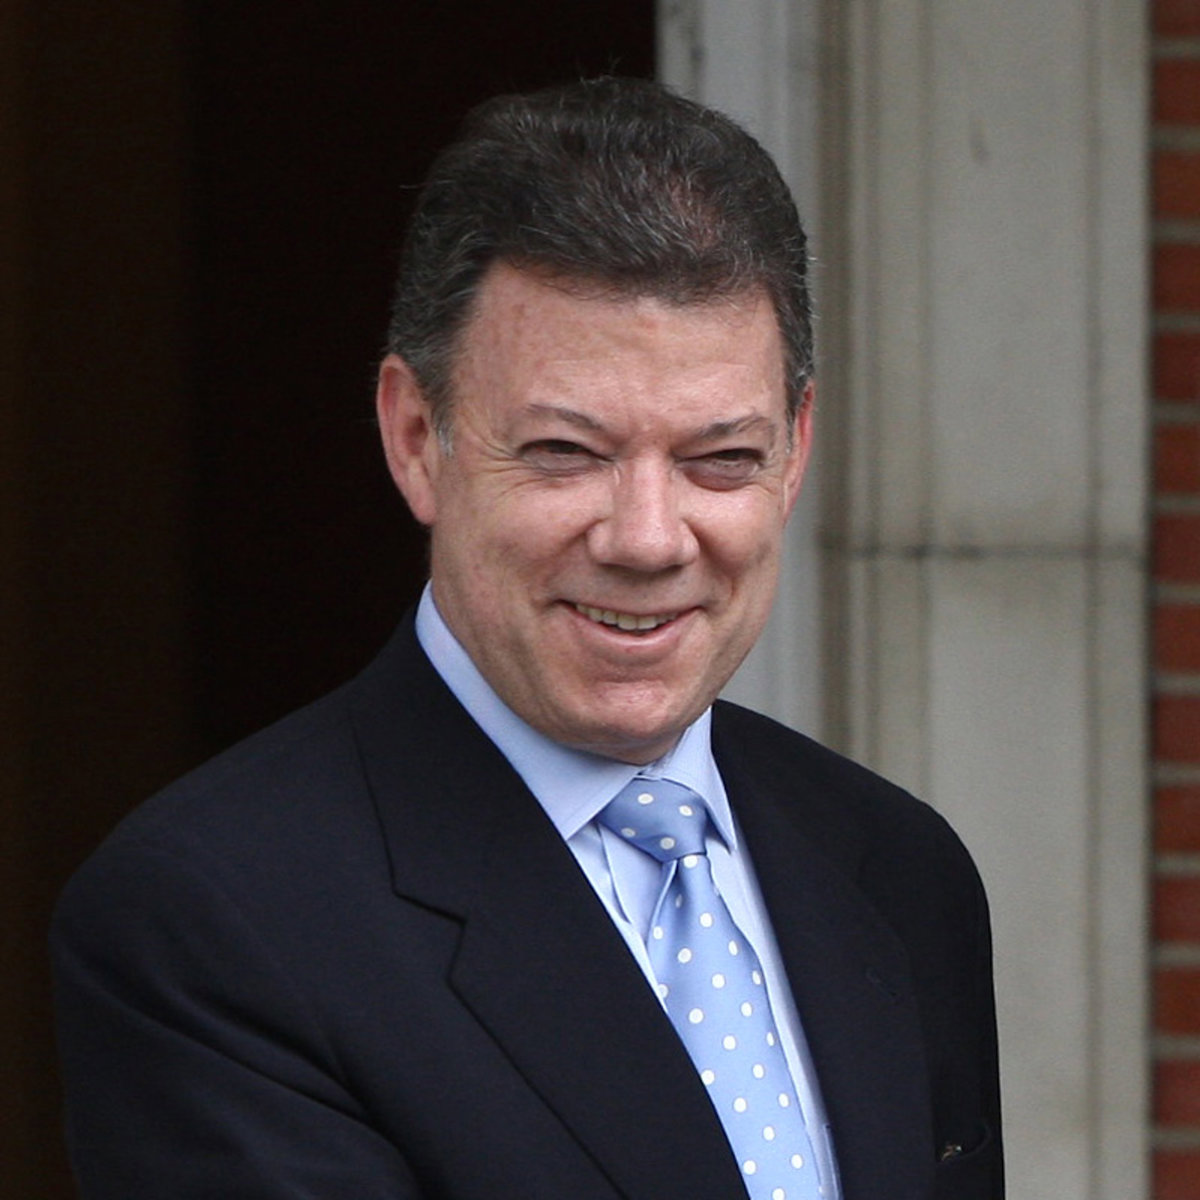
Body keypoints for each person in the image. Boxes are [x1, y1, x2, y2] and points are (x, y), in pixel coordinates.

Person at [51, 77, 1002, 1200]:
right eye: (566, 452)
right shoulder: (216, 922)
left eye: (720, 459)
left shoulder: (898, 872)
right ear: (416, 437)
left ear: (795, 452)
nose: (648, 538)